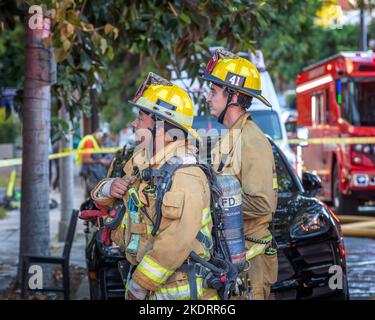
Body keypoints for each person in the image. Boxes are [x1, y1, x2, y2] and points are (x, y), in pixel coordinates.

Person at [90, 73, 218, 300]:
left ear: (162, 128)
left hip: (180, 291)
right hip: (150, 285)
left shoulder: (186, 174)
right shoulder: (142, 160)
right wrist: (108, 188)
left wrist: (140, 285)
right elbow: (107, 201)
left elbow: (176, 240)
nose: (134, 124)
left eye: (140, 118)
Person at [201, 48, 279, 300]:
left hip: (251, 264)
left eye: (213, 91)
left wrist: (209, 207)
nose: (208, 97)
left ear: (233, 96)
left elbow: (262, 203)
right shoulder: (231, 137)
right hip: (234, 258)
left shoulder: (251, 140)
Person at [76, 128, 111, 196]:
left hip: (93, 174)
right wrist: (100, 161)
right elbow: (85, 159)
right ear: (99, 136)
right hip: (89, 173)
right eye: (103, 140)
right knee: (91, 194)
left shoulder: (95, 141)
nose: (103, 142)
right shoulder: (89, 141)